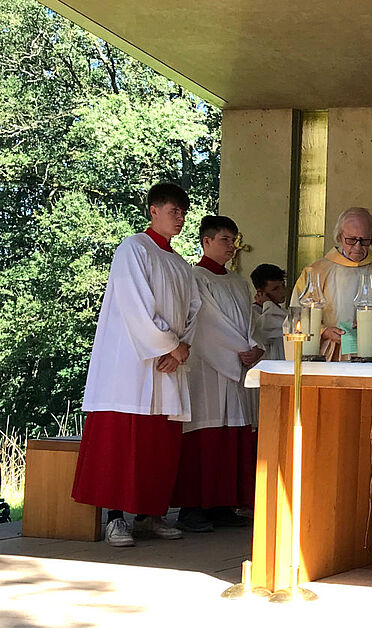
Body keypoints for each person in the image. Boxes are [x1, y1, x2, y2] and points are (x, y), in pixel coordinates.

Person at [71, 182, 201, 547]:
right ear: (153, 210)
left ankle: (148, 515)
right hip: (131, 365)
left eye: (183, 212)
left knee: (157, 442)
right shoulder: (133, 249)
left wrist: (181, 346)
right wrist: (170, 346)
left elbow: (194, 310)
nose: (180, 218)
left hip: (168, 363)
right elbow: (134, 305)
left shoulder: (179, 263)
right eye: (173, 211)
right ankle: (115, 519)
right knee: (123, 440)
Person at [290, 207, 372, 537]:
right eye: (352, 240)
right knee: (333, 443)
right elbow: (294, 321)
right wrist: (322, 332)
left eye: (365, 240)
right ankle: (328, 520)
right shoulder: (315, 273)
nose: (359, 247)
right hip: (332, 368)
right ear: (338, 237)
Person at [173, 216, 263, 533]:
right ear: (206, 241)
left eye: (234, 240)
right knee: (205, 434)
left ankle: (224, 503)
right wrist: (240, 350)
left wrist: (255, 347)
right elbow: (207, 322)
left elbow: (253, 321)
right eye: (225, 240)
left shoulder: (239, 282)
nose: (231, 247)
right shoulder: (194, 278)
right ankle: (194, 508)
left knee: (233, 433)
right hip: (208, 366)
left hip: (238, 365)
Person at [250, 263, 288, 361]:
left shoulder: (280, 311)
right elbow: (278, 326)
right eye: (275, 289)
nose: (283, 291)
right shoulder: (253, 313)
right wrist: (268, 304)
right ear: (260, 292)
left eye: (283, 285)